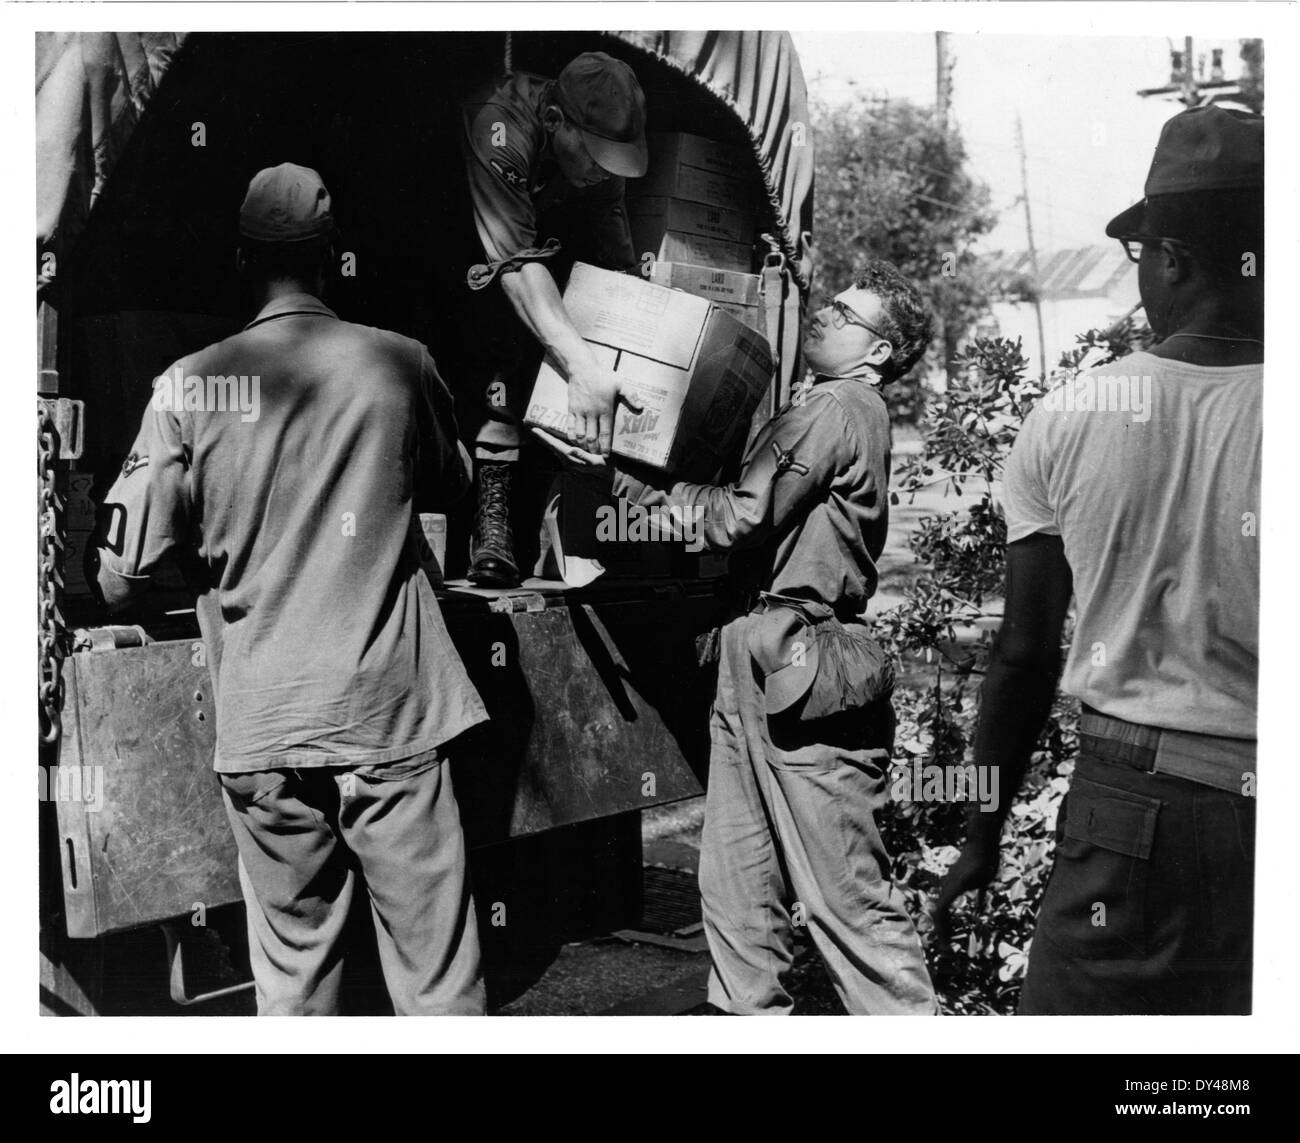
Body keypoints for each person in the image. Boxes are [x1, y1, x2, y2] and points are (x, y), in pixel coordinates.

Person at [93, 163, 490, 1015]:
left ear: (241, 258)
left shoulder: (187, 385)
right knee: (436, 976)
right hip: (390, 719)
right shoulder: (401, 363)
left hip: (266, 725)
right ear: (331, 255)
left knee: (295, 978)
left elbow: (121, 577)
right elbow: (455, 484)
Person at [931, 106, 1263, 1015]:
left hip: (1129, 808)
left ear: (1174, 260)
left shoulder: (1073, 415)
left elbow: (1026, 656)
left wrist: (983, 829)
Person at [607, 262, 939, 1014]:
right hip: (752, 653)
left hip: (800, 659)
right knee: (736, 889)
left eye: (845, 314)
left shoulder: (839, 406)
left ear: (879, 351)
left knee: (846, 899)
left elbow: (738, 517)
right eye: (829, 303)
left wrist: (634, 486)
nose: (823, 315)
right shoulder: (828, 406)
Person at [456, 50, 649, 586]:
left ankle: (536, 524)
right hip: (461, 247)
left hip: (530, 250)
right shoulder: (500, 124)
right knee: (501, 331)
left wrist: (637, 329)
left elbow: (614, 252)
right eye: (594, 157)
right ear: (554, 122)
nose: (602, 173)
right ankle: (488, 523)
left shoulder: (601, 158)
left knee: (564, 327)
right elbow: (512, 264)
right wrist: (584, 368)